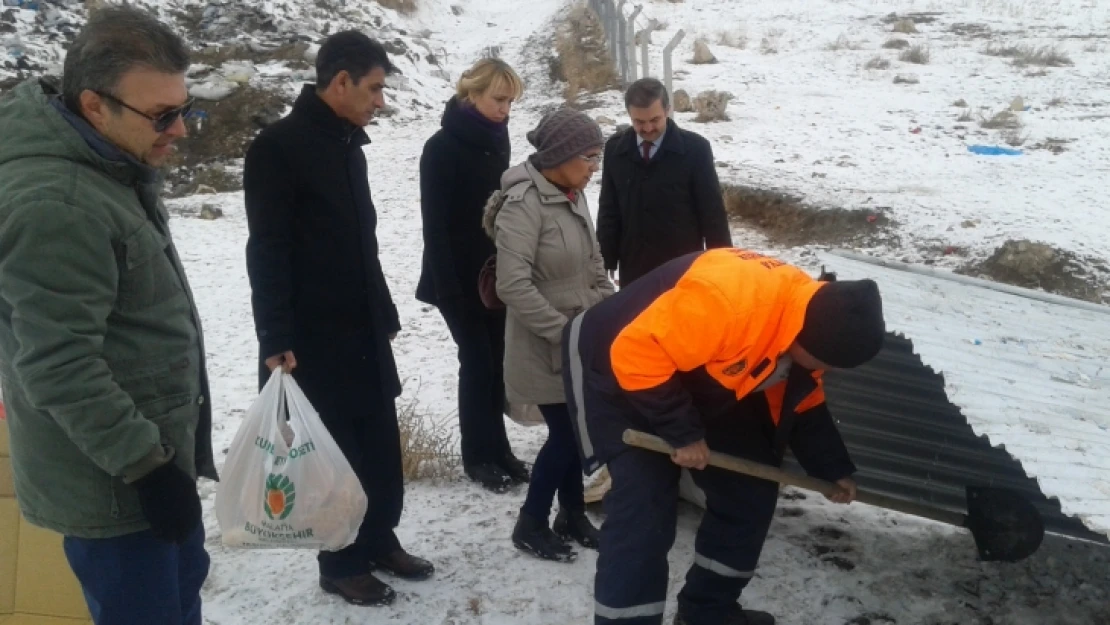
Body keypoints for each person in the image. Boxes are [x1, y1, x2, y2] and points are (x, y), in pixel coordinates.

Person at [0, 6, 215, 624]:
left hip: (148, 472)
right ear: (95, 106)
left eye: (184, 107)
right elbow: (59, 365)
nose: (180, 130)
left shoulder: (106, 168)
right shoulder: (56, 203)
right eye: (162, 115)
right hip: (118, 490)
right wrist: (151, 472)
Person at [563, 248, 887, 625]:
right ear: (805, 339)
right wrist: (684, 434)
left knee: (750, 489)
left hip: (695, 371)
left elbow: (800, 399)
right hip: (617, 363)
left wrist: (832, 469)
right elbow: (636, 353)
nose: (827, 370)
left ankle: (707, 611)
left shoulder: (810, 313)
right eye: (827, 363)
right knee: (645, 509)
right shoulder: (732, 304)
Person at [243, 30, 431, 607]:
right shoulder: (277, 146)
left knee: (376, 441)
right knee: (333, 451)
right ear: (341, 81)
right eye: (374, 88)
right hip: (310, 336)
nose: (380, 100)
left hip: (363, 327)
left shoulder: (348, 143)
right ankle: (340, 561)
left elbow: (360, 244)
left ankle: (378, 539)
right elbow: (267, 248)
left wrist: (384, 309)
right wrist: (275, 335)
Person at [484, 108, 616, 562]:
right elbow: (512, 284)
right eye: (590, 157)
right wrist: (565, 334)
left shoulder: (573, 193)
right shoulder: (523, 205)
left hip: (582, 336)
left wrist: (611, 312)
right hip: (545, 345)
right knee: (569, 436)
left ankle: (571, 514)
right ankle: (532, 522)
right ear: (560, 155)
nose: (595, 167)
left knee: (576, 431)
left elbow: (594, 263)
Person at [416, 58, 530, 493]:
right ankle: (477, 456)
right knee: (477, 362)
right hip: (457, 280)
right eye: (499, 100)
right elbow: (435, 227)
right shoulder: (441, 147)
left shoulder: (496, 138)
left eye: (510, 102)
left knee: (498, 362)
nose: (506, 110)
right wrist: (450, 292)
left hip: (495, 276)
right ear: (472, 95)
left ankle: (498, 450)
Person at [596, 78, 733, 287]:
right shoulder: (616, 151)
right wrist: (606, 260)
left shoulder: (696, 150)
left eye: (655, 119)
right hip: (634, 271)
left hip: (682, 269)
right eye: (639, 122)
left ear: (668, 110)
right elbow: (609, 210)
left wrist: (722, 264)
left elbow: (712, 212)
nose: (648, 128)